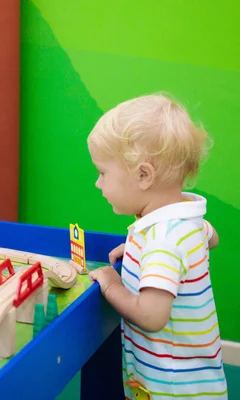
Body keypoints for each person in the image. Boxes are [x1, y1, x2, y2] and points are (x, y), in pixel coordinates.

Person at [87, 93, 227, 399]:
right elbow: (209, 237)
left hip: (173, 391)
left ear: (143, 175)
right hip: (193, 382)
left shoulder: (163, 241)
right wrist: (141, 252)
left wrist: (112, 285)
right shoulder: (186, 218)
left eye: (103, 172)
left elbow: (152, 316)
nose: (98, 183)